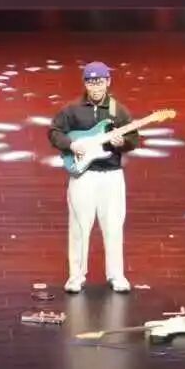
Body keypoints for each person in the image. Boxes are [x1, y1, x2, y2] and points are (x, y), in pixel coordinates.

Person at [47, 61, 136, 293]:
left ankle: (116, 275)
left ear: (108, 82)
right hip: (83, 176)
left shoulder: (118, 110)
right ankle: (76, 276)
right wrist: (71, 144)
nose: (95, 87)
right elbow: (54, 132)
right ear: (85, 84)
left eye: (100, 82)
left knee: (114, 226)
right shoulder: (72, 109)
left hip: (111, 174)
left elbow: (133, 139)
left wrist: (122, 142)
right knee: (79, 227)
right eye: (91, 82)